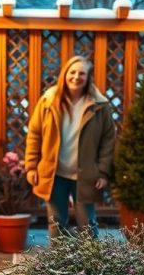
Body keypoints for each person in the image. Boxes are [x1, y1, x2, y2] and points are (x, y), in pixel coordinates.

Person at [25, 55, 116, 236]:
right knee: (56, 223)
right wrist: (31, 166)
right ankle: (57, 263)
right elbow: (34, 134)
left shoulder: (99, 105)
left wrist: (103, 172)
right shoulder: (48, 101)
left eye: (81, 73)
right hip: (54, 173)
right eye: (72, 72)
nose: (76, 77)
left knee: (87, 224)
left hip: (85, 175)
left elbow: (109, 140)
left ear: (88, 77)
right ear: (65, 74)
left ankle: (91, 263)